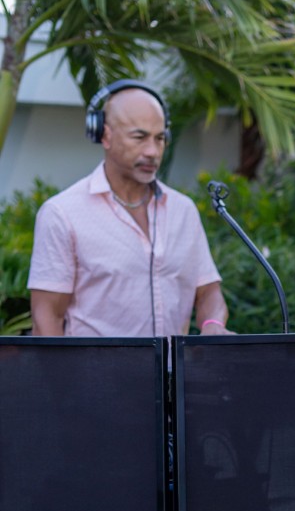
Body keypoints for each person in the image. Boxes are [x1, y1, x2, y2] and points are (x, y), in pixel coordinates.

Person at [27, 81, 228, 337]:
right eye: (139, 137)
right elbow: (47, 318)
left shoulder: (184, 211)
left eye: (160, 138)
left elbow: (208, 291)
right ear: (104, 135)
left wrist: (213, 325)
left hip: (174, 365)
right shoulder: (62, 214)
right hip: (94, 365)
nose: (152, 151)